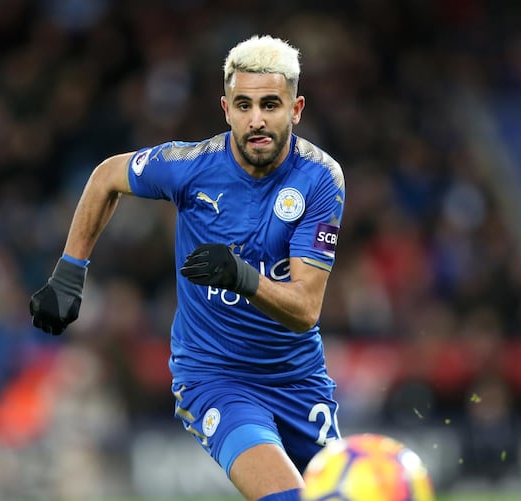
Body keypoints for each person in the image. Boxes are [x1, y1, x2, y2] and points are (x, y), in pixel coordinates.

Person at [29, 35, 346, 501]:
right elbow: (106, 177)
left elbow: (305, 308)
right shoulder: (191, 166)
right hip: (216, 379)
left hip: (297, 380)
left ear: (295, 109)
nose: (256, 120)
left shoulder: (320, 179)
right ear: (226, 109)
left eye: (271, 105)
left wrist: (240, 275)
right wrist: (70, 270)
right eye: (243, 105)